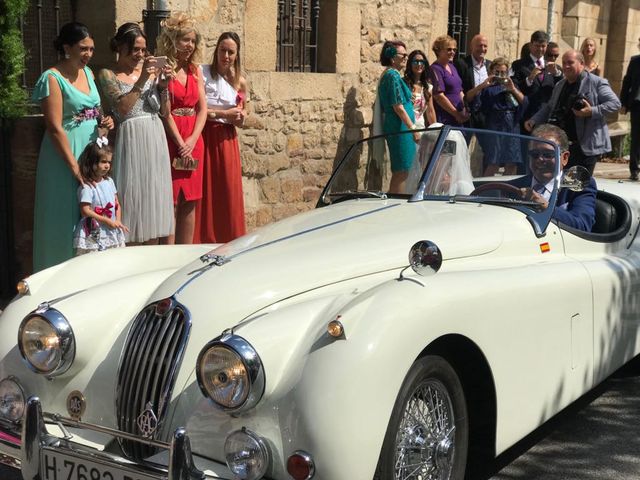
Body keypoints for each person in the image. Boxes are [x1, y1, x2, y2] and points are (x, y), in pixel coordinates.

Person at [31, 22, 114, 272]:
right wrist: (75, 169)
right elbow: (55, 127)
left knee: (89, 212)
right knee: (64, 215)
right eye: (82, 48)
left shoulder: (88, 73)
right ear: (67, 48)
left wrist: (105, 121)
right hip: (63, 156)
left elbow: (94, 110)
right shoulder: (52, 78)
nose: (88, 54)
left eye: (91, 49)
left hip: (89, 149)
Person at [97, 22, 174, 245]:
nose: (140, 55)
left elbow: (165, 112)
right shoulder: (107, 74)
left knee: (153, 199)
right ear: (120, 47)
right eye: (135, 49)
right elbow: (121, 109)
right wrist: (141, 81)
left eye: (143, 49)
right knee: (131, 199)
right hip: (131, 138)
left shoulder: (150, 74)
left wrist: (164, 86)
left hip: (154, 135)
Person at [525, 50, 621, 176]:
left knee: (580, 186)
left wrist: (591, 111)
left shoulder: (596, 82)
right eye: (564, 63)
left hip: (585, 146)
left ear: (581, 64)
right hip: (563, 145)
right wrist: (534, 120)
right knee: (561, 185)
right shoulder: (560, 84)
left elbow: (615, 104)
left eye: (570, 63)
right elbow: (549, 107)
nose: (566, 66)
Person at [156, 12, 207, 244]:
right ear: (172, 40)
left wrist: (193, 141)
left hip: (194, 140)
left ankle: (184, 253)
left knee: (191, 199)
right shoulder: (162, 69)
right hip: (170, 137)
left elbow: (202, 109)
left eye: (193, 40)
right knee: (171, 200)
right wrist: (180, 143)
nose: (190, 45)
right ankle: (167, 254)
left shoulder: (196, 71)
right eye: (185, 39)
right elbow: (164, 111)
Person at [194, 32, 248, 244]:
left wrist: (241, 116)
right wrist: (224, 113)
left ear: (237, 55)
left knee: (227, 190)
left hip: (227, 140)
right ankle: (202, 239)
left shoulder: (240, 82)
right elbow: (197, 109)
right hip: (206, 135)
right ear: (216, 50)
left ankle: (229, 238)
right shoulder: (203, 73)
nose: (226, 55)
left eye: (230, 52)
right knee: (205, 190)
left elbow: (242, 118)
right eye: (222, 50)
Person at [512, 124, 596, 232]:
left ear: (564, 158)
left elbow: (582, 226)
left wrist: (543, 205)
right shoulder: (514, 187)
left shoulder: (577, 183)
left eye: (548, 154)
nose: (540, 159)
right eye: (534, 154)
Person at [467, 57, 527, 175]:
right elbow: (472, 101)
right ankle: (486, 190)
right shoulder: (487, 87)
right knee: (493, 162)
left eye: (503, 72)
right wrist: (483, 85)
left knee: (512, 162)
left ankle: (508, 191)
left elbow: (524, 102)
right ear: (491, 72)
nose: (500, 75)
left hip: (512, 126)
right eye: (497, 72)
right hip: (494, 125)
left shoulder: (512, 86)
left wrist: (512, 89)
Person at [376, 40, 418, 194]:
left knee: (404, 169)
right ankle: (394, 204)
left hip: (401, 127)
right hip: (400, 128)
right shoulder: (392, 75)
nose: (406, 58)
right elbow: (398, 107)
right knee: (401, 170)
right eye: (403, 55)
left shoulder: (393, 75)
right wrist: (413, 129)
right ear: (393, 57)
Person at [72, 139, 127, 255]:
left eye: (109, 162)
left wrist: (117, 220)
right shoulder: (87, 187)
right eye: (103, 162)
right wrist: (106, 220)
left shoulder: (109, 181)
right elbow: (85, 211)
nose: (107, 166)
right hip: (94, 229)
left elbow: (117, 204)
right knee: (95, 257)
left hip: (111, 228)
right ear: (92, 162)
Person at [510, 30, 549, 128]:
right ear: (531, 45)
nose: (540, 49)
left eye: (543, 46)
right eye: (537, 46)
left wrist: (557, 74)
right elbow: (515, 87)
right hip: (527, 115)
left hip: (545, 116)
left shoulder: (551, 65)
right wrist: (529, 79)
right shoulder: (519, 65)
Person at [454, 34, 491, 130]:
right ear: (472, 47)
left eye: (485, 46)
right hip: (467, 114)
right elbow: (457, 89)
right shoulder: (461, 64)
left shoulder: (490, 66)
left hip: (485, 115)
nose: (482, 49)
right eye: (479, 45)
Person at [430, 35, 469, 126]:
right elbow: (439, 96)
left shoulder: (452, 67)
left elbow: (459, 91)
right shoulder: (435, 69)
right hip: (445, 117)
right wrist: (456, 114)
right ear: (439, 51)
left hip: (458, 117)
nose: (452, 52)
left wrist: (465, 109)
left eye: (454, 50)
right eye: (449, 49)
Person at [620, 37, 640, 181]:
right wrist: (623, 103)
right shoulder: (635, 61)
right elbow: (626, 83)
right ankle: (634, 169)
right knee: (636, 137)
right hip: (637, 104)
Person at [403, 50, 436, 129]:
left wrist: (435, 131)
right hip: (406, 127)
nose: (419, 64)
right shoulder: (403, 83)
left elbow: (430, 111)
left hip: (420, 128)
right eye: (415, 62)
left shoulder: (428, 87)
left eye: (422, 62)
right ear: (410, 64)